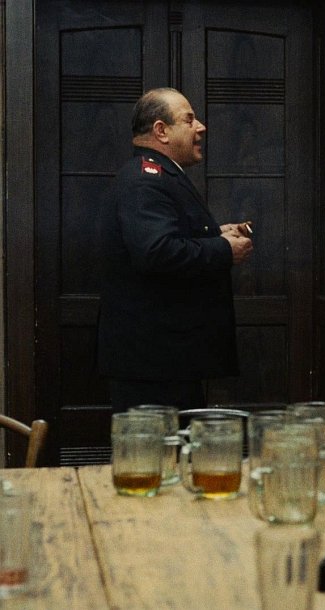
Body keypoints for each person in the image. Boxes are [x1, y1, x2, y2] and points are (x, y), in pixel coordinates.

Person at [98, 87, 253, 411]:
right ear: (161, 131)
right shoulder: (147, 179)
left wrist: (216, 234)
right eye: (189, 120)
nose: (201, 127)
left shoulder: (159, 174)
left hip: (165, 360)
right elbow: (156, 251)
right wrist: (223, 250)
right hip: (154, 365)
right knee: (161, 444)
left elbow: (167, 237)